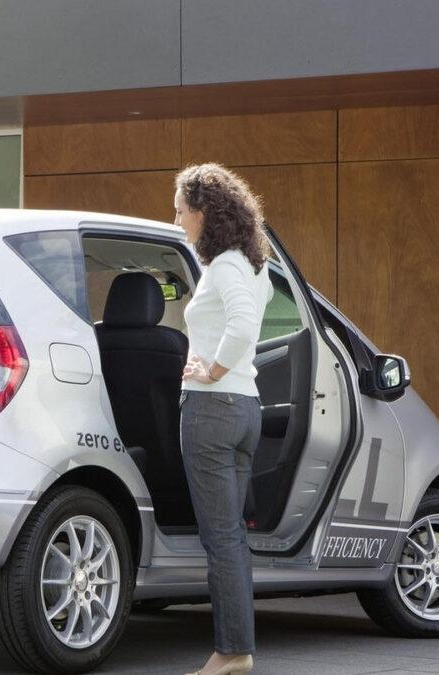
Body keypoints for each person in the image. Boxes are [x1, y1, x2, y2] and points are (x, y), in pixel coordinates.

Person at [173, 163, 273, 675]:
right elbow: (260, 308)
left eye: (181, 211)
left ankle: (232, 652)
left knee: (222, 539)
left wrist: (211, 368)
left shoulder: (227, 265)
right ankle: (239, 649)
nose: (178, 220)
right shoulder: (254, 264)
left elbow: (242, 322)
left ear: (205, 212)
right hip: (245, 407)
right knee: (231, 535)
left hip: (213, 410)